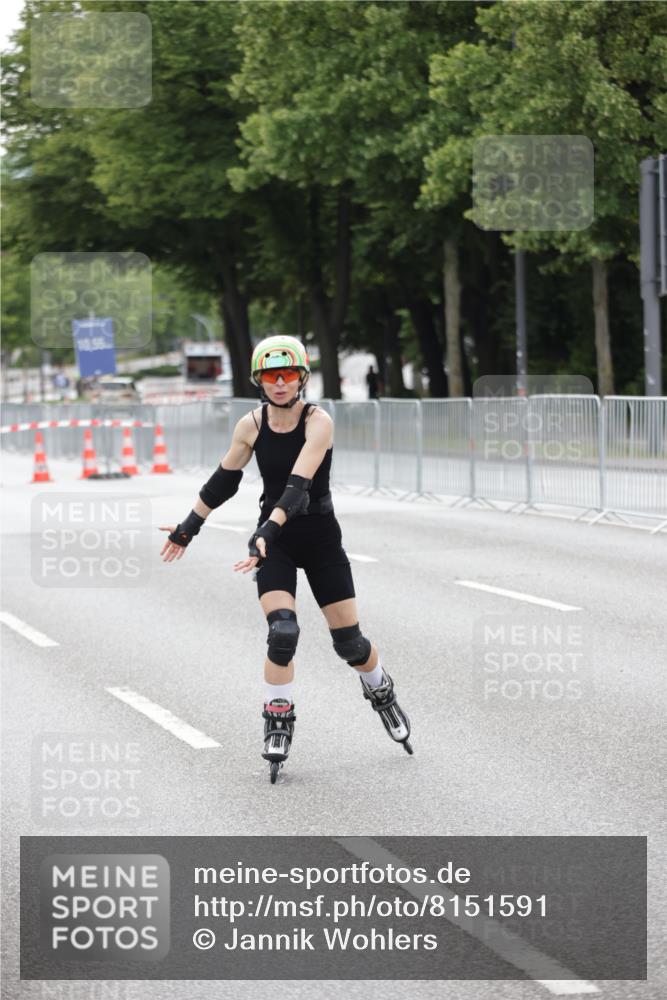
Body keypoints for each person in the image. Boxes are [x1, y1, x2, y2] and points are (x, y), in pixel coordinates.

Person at [160, 335, 412, 783]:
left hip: (318, 538)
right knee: (283, 632)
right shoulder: (250, 425)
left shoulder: (319, 422)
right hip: (274, 544)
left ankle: (381, 689)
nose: (280, 383)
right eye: (272, 376)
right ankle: (278, 719)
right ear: (259, 380)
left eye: (289, 374)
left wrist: (266, 528)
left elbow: (297, 487)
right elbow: (224, 480)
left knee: (350, 644)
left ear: (302, 378)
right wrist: (187, 527)